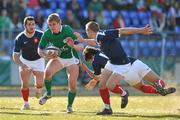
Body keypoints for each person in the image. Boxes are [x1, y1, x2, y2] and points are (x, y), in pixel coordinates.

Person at [74, 21, 176, 114]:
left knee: (109, 86)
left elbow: (122, 30)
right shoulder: (99, 37)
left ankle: (123, 94)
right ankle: (160, 88)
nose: (86, 31)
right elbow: (95, 42)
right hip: (114, 62)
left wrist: (141, 30)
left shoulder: (104, 34)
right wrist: (83, 40)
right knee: (103, 85)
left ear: (89, 30)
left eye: (86, 30)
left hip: (122, 64)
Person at [80, 46, 176, 114]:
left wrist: (86, 69)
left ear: (91, 57)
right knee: (157, 80)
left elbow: (98, 77)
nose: (91, 61)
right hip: (134, 62)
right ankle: (161, 87)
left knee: (140, 87)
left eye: (90, 60)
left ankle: (121, 95)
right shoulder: (104, 50)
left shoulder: (96, 61)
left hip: (125, 70)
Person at [37, 13, 84, 113]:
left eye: (54, 24)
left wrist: (73, 46)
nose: (52, 27)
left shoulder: (67, 29)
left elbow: (81, 46)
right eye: (50, 25)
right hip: (59, 57)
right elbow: (39, 49)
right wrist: (45, 56)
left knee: (72, 84)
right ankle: (48, 94)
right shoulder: (47, 33)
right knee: (47, 73)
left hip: (71, 58)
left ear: (59, 23)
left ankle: (69, 106)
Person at [12, 16, 44, 110]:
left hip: (39, 60)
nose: (31, 26)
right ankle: (26, 103)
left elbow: (47, 47)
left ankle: (38, 90)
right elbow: (15, 55)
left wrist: (47, 53)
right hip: (25, 61)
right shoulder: (19, 38)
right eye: (29, 24)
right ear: (24, 26)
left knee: (39, 84)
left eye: (33, 24)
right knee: (25, 84)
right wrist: (22, 64)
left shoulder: (41, 35)